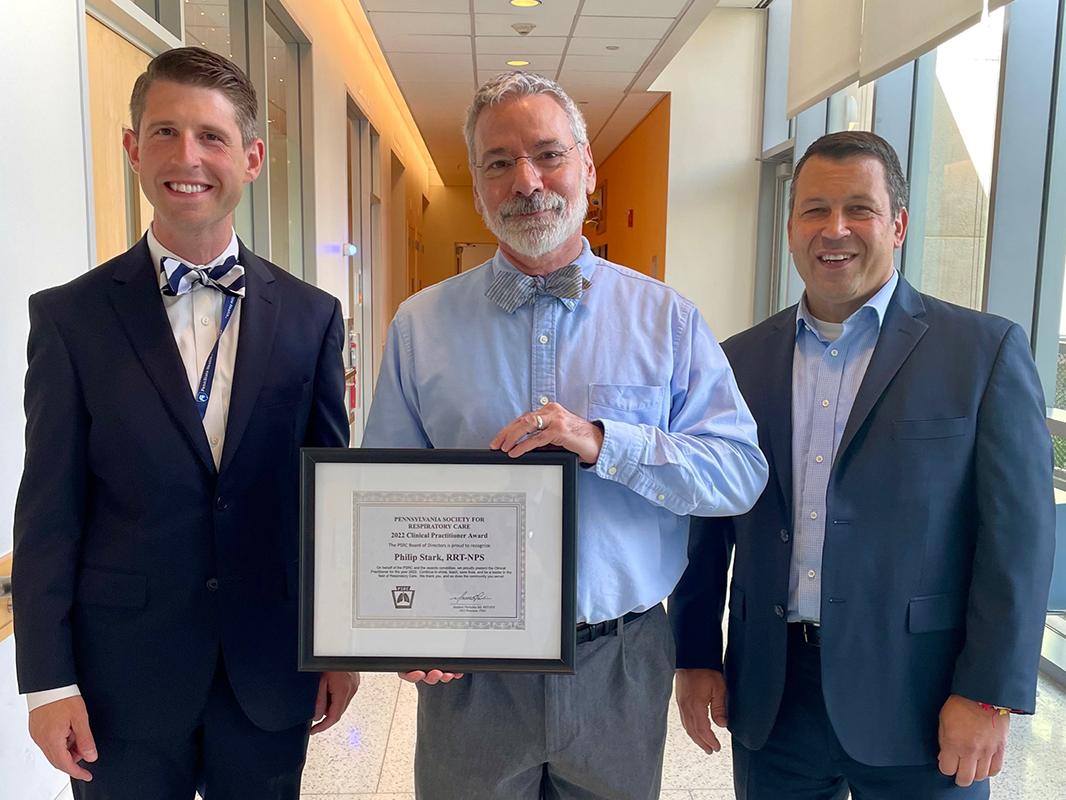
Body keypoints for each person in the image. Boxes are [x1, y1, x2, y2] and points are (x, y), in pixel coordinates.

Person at [361, 71, 768, 800]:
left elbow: (739, 472)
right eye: (498, 162)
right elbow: (381, 494)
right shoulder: (419, 326)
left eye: (547, 154)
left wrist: (609, 442)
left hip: (620, 658)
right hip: (468, 670)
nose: (527, 181)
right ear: (479, 184)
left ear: (586, 168)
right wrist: (403, 627)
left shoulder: (668, 322)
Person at [12, 46, 358, 800]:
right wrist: (47, 682)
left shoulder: (311, 318)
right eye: (164, 132)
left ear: (253, 157)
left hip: (267, 672)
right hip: (119, 684)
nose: (187, 156)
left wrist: (341, 648)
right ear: (133, 148)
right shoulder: (70, 319)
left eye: (211, 136)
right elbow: (48, 514)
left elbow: (326, 503)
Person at [671, 131, 1056, 799]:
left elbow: (1017, 544)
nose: (835, 229)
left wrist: (988, 692)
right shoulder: (737, 362)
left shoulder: (983, 353)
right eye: (815, 209)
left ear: (898, 224)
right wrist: (697, 653)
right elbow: (707, 523)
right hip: (773, 695)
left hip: (925, 699)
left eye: (860, 209)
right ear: (791, 227)